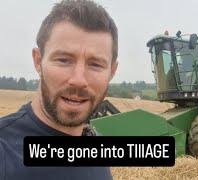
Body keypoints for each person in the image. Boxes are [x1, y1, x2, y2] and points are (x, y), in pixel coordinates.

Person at [0, 0, 118, 179]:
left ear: (112, 71)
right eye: (63, 60)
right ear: (38, 61)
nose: (78, 80)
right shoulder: (5, 150)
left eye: (95, 64)